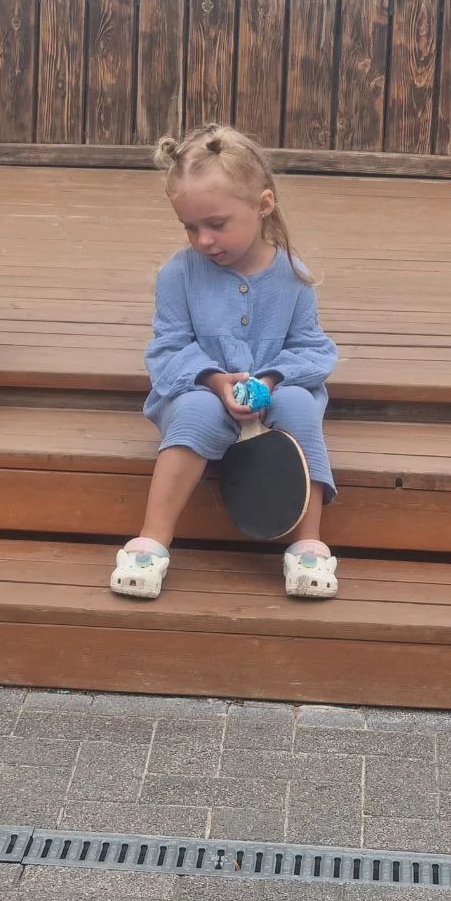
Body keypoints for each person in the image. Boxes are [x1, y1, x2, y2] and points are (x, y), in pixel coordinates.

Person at [110, 124, 339, 601]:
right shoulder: (178, 275)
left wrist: (271, 379)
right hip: (200, 390)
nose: (203, 240)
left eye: (216, 224)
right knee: (197, 411)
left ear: (263, 205)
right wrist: (215, 381)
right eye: (190, 227)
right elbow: (168, 349)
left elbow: (313, 349)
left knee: (299, 405)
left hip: (276, 390)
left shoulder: (293, 277)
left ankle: (308, 544)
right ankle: (152, 541)